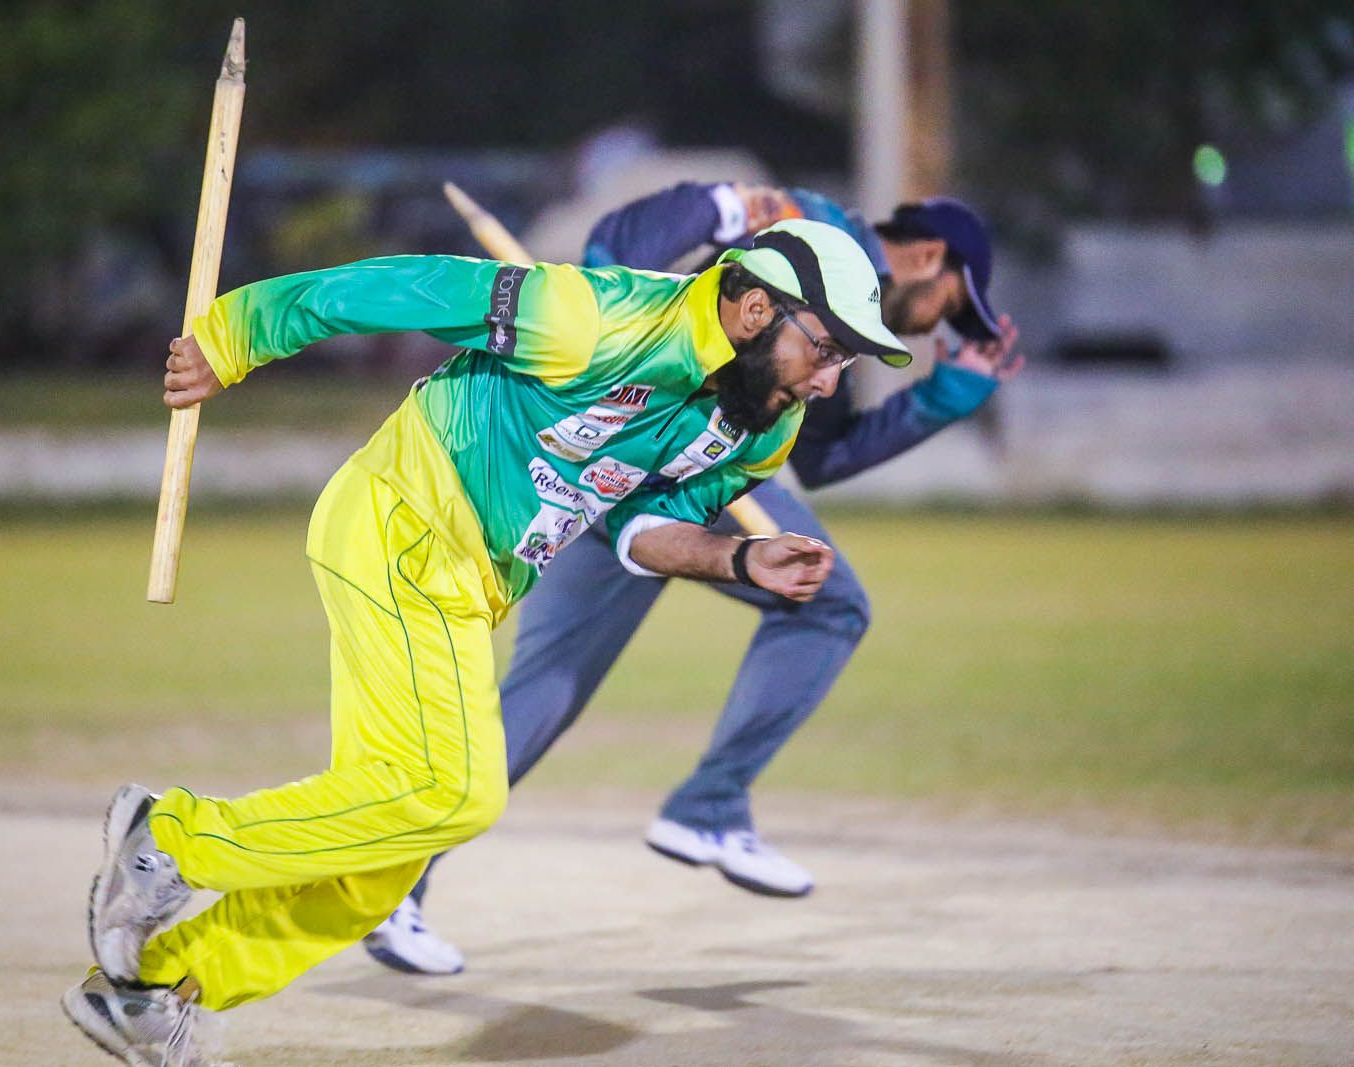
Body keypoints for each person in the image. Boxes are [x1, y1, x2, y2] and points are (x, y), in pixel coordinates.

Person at [60, 217, 911, 1067]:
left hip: (469, 585)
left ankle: (154, 992)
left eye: (846, 361)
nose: (830, 381)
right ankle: (171, 839)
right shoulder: (594, 316)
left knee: (387, 855)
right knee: (458, 794)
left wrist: (738, 557)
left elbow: (640, 528)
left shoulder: (764, 425)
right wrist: (238, 335)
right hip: (405, 518)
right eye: (827, 348)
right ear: (756, 309)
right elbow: (405, 288)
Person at [363, 182, 1023, 977]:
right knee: (828, 606)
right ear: (926, 257)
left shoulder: (835, 335)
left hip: (668, 481)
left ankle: (394, 877)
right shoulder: (813, 237)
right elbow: (612, 255)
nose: (939, 328)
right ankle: (705, 807)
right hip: (639, 461)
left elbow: (821, 454)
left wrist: (950, 393)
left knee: (548, 692)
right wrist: (712, 206)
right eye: (952, 306)